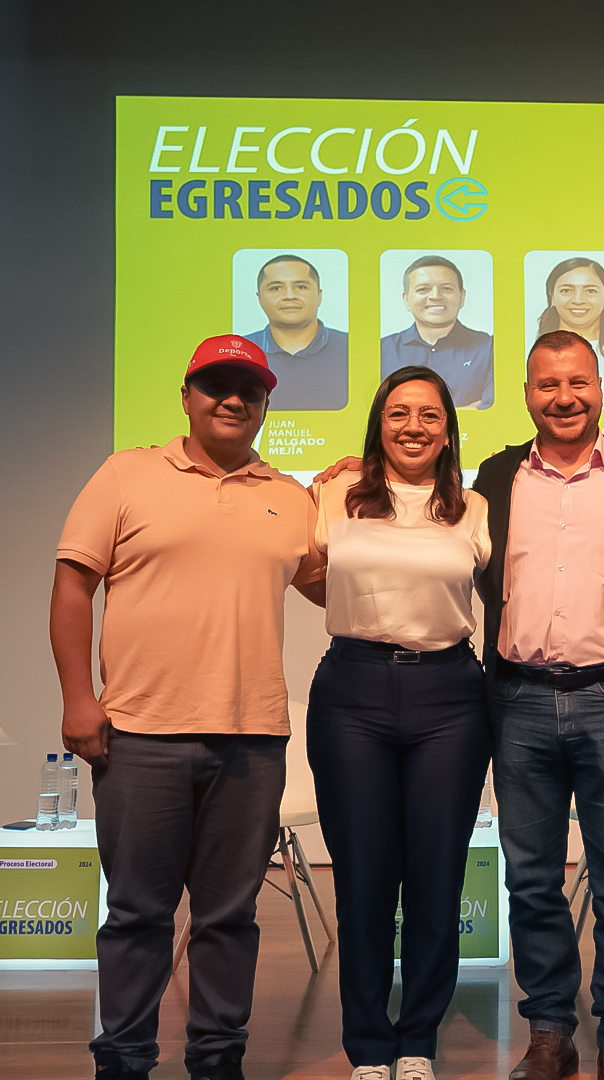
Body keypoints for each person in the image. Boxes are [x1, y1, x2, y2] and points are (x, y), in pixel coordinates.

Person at [51, 334, 323, 1080]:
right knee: (137, 914)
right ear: (187, 395)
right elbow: (74, 584)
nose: (233, 399)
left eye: (251, 388)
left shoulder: (288, 496)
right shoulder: (127, 474)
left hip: (253, 741)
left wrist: (352, 503)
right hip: (140, 736)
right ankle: (124, 1060)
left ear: (268, 402)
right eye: (217, 386)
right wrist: (80, 697)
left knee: (229, 918)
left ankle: (217, 1059)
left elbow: (334, 588)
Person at [474, 330, 604, 1080]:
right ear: (527, 392)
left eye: (578, 383)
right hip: (518, 701)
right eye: (546, 384)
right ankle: (551, 1033)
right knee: (531, 881)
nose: (564, 397)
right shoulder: (494, 478)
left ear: (602, 386)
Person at [300, 367, 493, 1080]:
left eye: (430, 416)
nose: (414, 426)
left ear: (448, 430)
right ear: (379, 422)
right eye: (399, 413)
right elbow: (302, 567)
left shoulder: (474, 508)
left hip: (449, 696)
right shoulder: (334, 493)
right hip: (352, 692)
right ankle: (370, 1048)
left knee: (438, 876)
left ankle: (418, 1043)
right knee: (364, 877)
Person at [379, 254, 495, 409]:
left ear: (462, 297)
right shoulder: (382, 349)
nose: (435, 296)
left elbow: (488, 409)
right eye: (423, 289)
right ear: (406, 299)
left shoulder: (489, 348)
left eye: (446, 289)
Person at [246, 253, 350, 410]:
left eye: (301, 287)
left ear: (319, 295)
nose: (289, 296)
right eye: (276, 288)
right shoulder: (242, 351)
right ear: (259, 298)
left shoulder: (351, 347)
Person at [536, 257, 604, 410]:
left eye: (590, 291)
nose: (578, 300)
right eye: (566, 290)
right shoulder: (532, 352)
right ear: (552, 297)